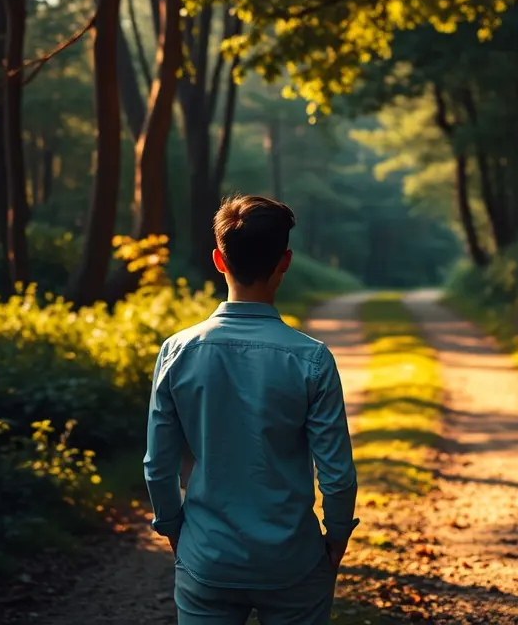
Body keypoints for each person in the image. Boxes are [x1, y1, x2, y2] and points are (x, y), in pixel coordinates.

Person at [143, 195, 359, 625]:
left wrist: (173, 529)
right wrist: (336, 539)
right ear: (285, 262)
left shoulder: (176, 352)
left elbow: (158, 467)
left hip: (207, 558)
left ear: (218, 261)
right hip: (294, 561)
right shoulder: (312, 359)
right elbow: (337, 475)